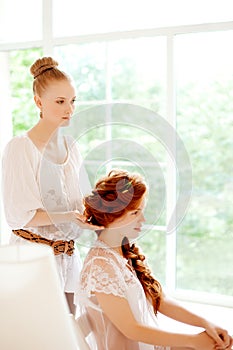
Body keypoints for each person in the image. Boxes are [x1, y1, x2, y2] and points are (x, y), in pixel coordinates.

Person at [75, 169, 232, 349]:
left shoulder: (125, 251)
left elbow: (161, 300)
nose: (143, 219)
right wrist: (193, 341)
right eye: (135, 213)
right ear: (111, 216)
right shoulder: (100, 265)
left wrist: (206, 323)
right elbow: (132, 330)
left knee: (219, 344)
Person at [1, 56, 103, 315]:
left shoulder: (71, 146)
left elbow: (81, 200)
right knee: (39, 335)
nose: (69, 109)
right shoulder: (20, 148)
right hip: (32, 259)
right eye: (60, 101)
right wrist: (68, 217)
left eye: (72, 101)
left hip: (68, 257)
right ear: (38, 102)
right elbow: (19, 217)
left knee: (70, 330)